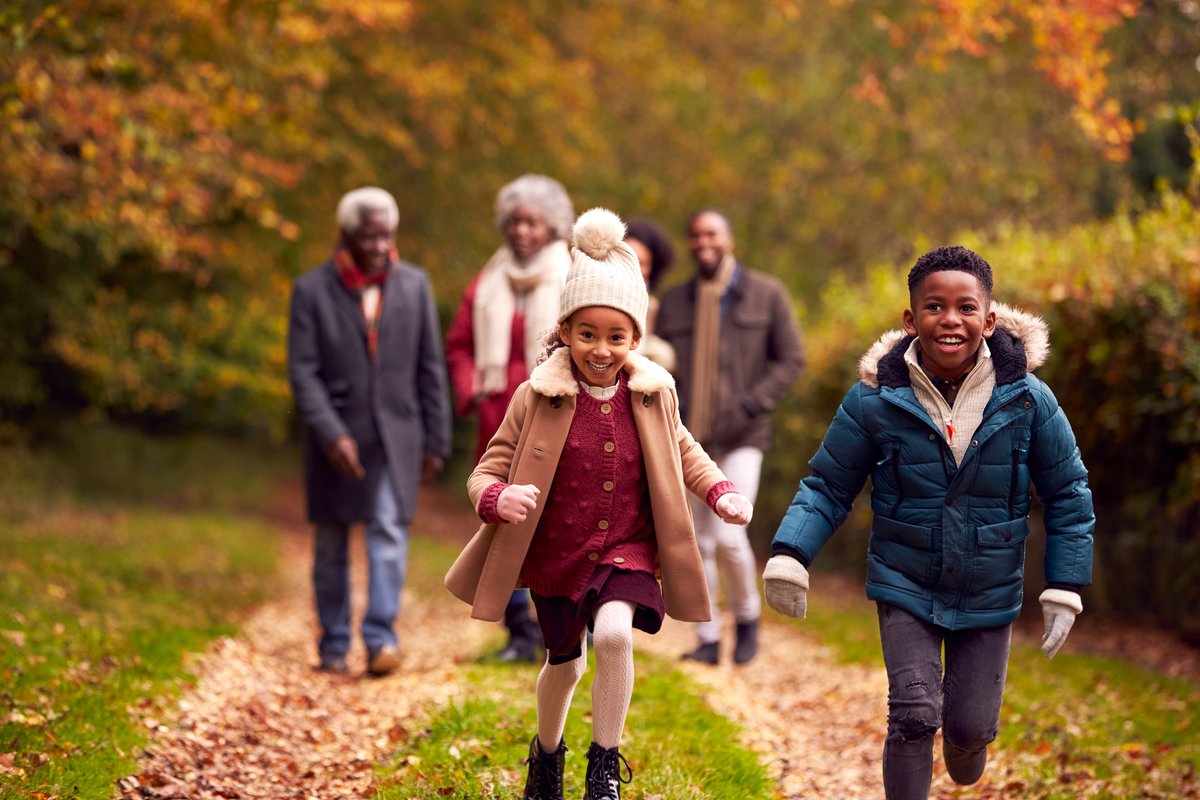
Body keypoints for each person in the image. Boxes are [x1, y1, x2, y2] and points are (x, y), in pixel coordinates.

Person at [763, 246, 1095, 799]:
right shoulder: (874, 400)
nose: (950, 320)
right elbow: (828, 485)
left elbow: (1067, 492)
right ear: (910, 319)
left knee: (968, 729)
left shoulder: (1029, 401)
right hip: (904, 579)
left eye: (966, 308)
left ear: (989, 320)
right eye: (934, 307)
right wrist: (790, 554)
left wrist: (1065, 585)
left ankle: (968, 743)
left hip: (990, 585)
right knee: (914, 714)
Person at [445, 208, 754, 800]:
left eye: (616, 337)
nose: (602, 349)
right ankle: (546, 756)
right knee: (565, 665)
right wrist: (498, 497)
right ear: (565, 330)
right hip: (557, 553)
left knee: (614, 636)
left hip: (627, 546)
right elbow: (486, 470)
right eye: (588, 334)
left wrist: (721, 491)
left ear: (635, 338)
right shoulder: (536, 396)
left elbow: (685, 450)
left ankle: (604, 766)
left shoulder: (653, 394)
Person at [287, 186, 452, 677]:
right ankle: (334, 645)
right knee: (331, 542)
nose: (381, 246)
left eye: (387, 235)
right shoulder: (311, 290)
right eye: (369, 237)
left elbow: (430, 366)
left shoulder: (414, 285)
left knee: (388, 530)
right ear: (346, 235)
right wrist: (330, 433)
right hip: (334, 439)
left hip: (397, 436)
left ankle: (381, 640)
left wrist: (436, 438)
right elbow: (303, 373)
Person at [655, 208, 805, 666]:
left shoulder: (766, 293)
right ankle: (706, 636)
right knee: (696, 542)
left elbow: (792, 359)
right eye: (696, 235)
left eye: (712, 234)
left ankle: (746, 618)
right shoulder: (674, 303)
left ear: (730, 239)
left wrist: (752, 405)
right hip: (688, 437)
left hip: (743, 436)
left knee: (728, 536)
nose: (704, 242)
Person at [445, 174, 575, 663]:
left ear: (552, 227)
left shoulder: (571, 276)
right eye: (515, 221)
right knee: (503, 519)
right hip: (499, 419)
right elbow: (459, 345)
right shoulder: (488, 279)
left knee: (557, 522)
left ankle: (559, 628)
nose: (521, 231)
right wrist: (471, 391)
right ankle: (519, 631)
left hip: (556, 419)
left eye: (532, 223)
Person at [623, 217, 676, 370]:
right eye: (626, 259)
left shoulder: (656, 310)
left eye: (640, 263)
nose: (632, 268)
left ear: (652, 269)